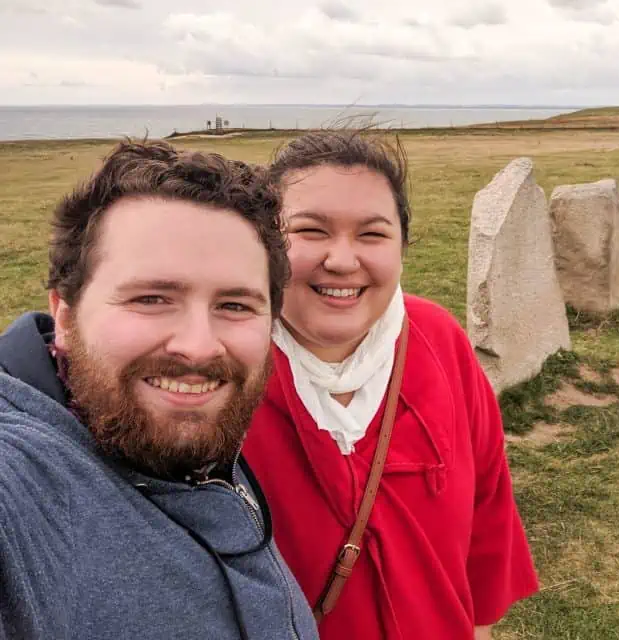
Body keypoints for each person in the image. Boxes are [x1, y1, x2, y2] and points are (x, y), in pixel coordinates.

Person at [0, 140, 319, 640]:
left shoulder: (190, 446)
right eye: (151, 298)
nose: (198, 347)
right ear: (65, 315)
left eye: (235, 306)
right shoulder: (17, 484)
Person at [241, 131, 539, 639]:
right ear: (268, 242)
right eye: (311, 230)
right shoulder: (228, 367)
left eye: (372, 234)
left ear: (402, 244)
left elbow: (486, 507)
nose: (341, 259)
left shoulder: (440, 340)